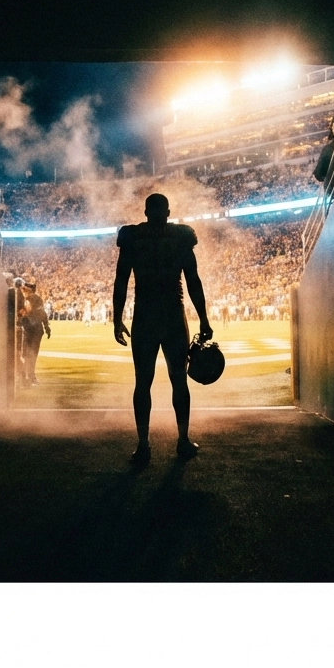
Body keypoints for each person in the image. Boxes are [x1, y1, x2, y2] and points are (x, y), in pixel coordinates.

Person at [112, 193, 213, 466]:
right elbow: (192, 280)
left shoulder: (133, 238)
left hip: (145, 314)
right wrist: (203, 318)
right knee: (177, 379)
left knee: (143, 381)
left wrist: (117, 318)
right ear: (168, 212)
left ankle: (144, 444)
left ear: (145, 212)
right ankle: (181, 440)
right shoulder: (180, 237)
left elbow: (121, 280)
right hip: (171, 313)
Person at [18, 281, 51, 386]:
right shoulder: (36, 299)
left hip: (30, 328)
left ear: (30, 289)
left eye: (26, 289)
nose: (24, 290)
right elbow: (43, 313)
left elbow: (25, 313)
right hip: (36, 328)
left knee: (27, 353)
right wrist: (46, 327)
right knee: (32, 353)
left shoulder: (29, 299)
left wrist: (19, 319)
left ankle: (27, 376)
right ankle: (29, 376)